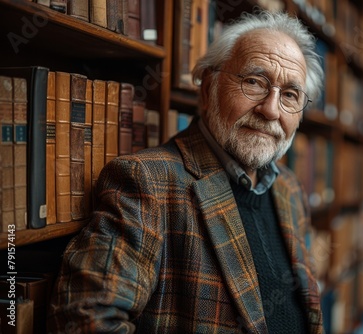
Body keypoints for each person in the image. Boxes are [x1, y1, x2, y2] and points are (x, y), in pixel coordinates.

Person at [48, 9, 324, 334]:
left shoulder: (289, 188)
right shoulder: (147, 182)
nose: (271, 109)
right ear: (208, 89)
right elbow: (84, 321)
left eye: (290, 95)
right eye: (254, 82)